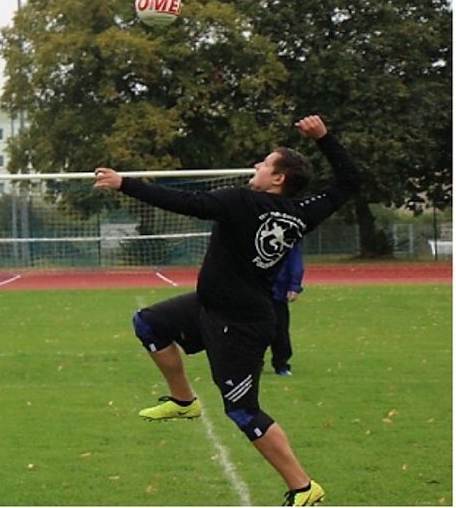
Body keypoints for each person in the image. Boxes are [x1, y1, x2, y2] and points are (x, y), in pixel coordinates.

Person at [93, 115, 360, 506]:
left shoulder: (241, 201)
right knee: (148, 324)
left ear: (278, 178)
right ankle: (184, 402)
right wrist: (325, 138)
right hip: (210, 307)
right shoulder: (304, 211)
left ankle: (304, 488)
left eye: (264, 164)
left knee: (242, 411)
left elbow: (185, 202)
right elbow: (349, 181)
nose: (256, 167)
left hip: (240, 325)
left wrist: (125, 184)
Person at [270, 241, 304, 376]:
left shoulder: (289, 234)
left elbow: (295, 261)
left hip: (278, 290)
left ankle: (281, 364)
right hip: (255, 288)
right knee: (253, 328)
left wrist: (294, 286)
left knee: (280, 329)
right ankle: (253, 363)